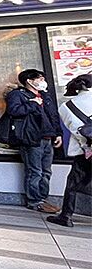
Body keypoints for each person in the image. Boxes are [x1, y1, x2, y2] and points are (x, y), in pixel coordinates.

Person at [5, 69, 63, 213]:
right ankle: (34, 201)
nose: (43, 81)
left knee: (46, 171)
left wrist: (58, 133)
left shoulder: (45, 95)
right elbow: (14, 111)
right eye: (40, 78)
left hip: (48, 137)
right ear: (29, 81)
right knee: (34, 171)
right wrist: (33, 104)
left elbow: (53, 116)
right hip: (31, 138)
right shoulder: (18, 95)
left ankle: (43, 198)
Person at [48, 74, 92, 227]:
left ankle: (66, 216)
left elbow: (77, 129)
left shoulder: (66, 107)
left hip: (86, 151)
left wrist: (87, 148)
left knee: (73, 183)